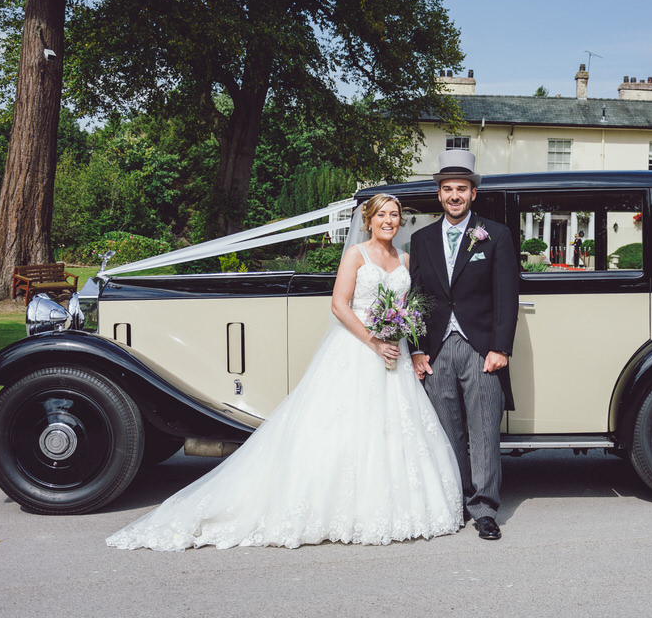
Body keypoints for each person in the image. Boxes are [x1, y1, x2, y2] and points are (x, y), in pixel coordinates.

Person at [106, 194, 462, 551]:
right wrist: (374, 342)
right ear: (368, 220)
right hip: (359, 349)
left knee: (394, 429)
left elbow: (409, 308)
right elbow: (340, 305)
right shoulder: (357, 254)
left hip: (392, 353)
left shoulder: (405, 259)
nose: (389, 220)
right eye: (382, 214)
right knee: (342, 429)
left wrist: (403, 341)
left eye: (395, 215)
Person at [410, 150, 520, 540]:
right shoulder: (420, 239)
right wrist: (416, 350)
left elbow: (507, 295)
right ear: (438, 194)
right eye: (447, 189)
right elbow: (415, 298)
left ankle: (486, 509)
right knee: (446, 431)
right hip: (436, 349)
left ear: (474, 193)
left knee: (486, 428)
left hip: (481, 347)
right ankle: (456, 499)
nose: (454, 195)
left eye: (462, 188)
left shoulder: (496, 234)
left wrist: (501, 348)